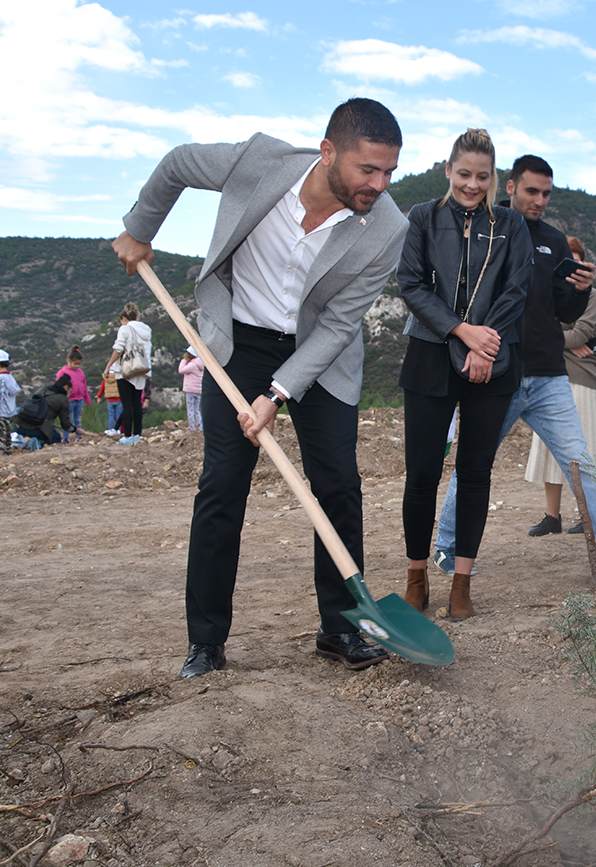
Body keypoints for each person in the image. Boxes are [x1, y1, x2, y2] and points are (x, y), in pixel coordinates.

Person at [112, 97, 408, 678]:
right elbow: (176, 164)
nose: (380, 184)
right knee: (222, 486)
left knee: (338, 486)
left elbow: (340, 324)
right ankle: (206, 643)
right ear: (328, 153)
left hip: (317, 353)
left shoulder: (388, 227)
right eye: (367, 170)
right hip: (239, 344)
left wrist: (276, 396)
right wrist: (139, 229)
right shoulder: (258, 162)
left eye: (389, 172)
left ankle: (342, 629)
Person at [431, 156, 596, 575]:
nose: (539, 200)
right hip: (498, 374)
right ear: (511, 186)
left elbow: (563, 311)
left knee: (582, 464)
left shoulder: (554, 240)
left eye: (546, 194)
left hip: (550, 377)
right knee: (474, 464)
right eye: (532, 191)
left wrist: (580, 289)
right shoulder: (484, 230)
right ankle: (445, 546)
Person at [397, 130, 531, 619]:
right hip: (432, 354)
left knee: (475, 473)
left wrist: (484, 342)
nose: (472, 185)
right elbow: (410, 284)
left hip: (493, 358)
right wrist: (463, 332)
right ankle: (416, 578)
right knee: (423, 474)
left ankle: (461, 583)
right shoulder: (423, 218)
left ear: (493, 178)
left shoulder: (512, 225)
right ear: (447, 171)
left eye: (482, 176)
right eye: (464, 174)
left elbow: (516, 289)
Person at [524, 237, 596, 536]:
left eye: (577, 261)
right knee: (551, 449)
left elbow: (583, 333)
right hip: (550, 375)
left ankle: (587, 515)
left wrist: (550, 338)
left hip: (582, 377)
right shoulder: (545, 294)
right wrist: (563, 340)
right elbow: (550, 332)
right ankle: (552, 516)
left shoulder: (593, 297)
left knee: (586, 453)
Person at [103, 303, 151, 445]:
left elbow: (118, 349)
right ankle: (138, 434)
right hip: (141, 369)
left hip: (125, 370)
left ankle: (128, 435)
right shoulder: (146, 330)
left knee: (127, 404)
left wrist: (108, 366)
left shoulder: (125, 329)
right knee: (137, 403)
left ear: (124, 318)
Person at [14, 374, 77, 446]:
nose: (70, 394)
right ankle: (42, 450)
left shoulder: (44, 389)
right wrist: (76, 430)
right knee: (55, 438)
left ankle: (37, 442)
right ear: (66, 387)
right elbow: (65, 425)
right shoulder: (63, 399)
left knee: (47, 432)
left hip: (17, 425)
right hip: (32, 428)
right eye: (70, 391)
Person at [56, 346, 90, 440]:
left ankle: (79, 437)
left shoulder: (81, 372)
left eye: (79, 364)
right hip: (68, 400)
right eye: (75, 364)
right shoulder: (62, 372)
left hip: (79, 399)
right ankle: (66, 438)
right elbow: (57, 386)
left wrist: (87, 399)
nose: (77, 366)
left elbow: (84, 386)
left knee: (78, 420)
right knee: (67, 420)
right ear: (68, 361)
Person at [179, 346, 205, 431]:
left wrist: (184, 361)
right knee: (197, 409)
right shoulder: (201, 364)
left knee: (190, 410)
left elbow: (181, 370)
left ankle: (192, 428)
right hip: (198, 391)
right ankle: (200, 427)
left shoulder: (192, 365)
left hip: (190, 390)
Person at [97, 365, 123, 434]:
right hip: (119, 399)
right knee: (118, 415)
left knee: (111, 415)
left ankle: (111, 429)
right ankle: (118, 430)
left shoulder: (106, 379)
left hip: (110, 400)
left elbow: (102, 388)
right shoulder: (119, 377)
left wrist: (99, 396)